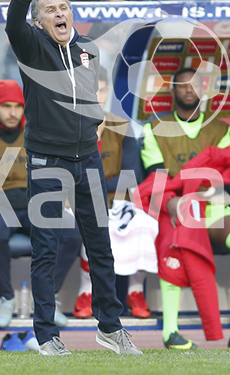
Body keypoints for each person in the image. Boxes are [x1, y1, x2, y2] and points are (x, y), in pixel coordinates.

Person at [4, 0, 141, 355]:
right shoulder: (31, 46)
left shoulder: (88, 50)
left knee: (100, 245)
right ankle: (47, 337)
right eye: (51, 10)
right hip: (48, 161)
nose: (61, 14)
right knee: (46, 248)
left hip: (88, 160)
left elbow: (85, 98)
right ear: (39, 21)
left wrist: (93, 122)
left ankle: (110, 328)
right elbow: (13, 24)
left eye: (64, 7)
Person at [141, 67, 230, 349]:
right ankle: (170, 332)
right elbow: (157, 179)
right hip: (176, 208)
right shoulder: (154, 128)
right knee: (172, 244)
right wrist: (172, 203)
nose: (189, 90)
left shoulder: (220, 129)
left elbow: (228, 175)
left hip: (211, 205)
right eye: (182, 85)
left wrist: (203, 197)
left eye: (194, 85)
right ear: (173, 91)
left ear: (204, 90)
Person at [0, 79, 80, 328]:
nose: (12, 112)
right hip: (0, 206)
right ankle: (7, 298)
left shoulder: (37, 131)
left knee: (72, 233)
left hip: (36, 205)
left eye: (18, 106)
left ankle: (45, 300)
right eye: (5, 106)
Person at [72, 71, 154, 320]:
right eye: (92, 90)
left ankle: (135, 290)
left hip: (118, 201)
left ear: (108, 92)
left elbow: (131, 178)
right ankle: (86, 291)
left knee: (144, 223)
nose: (97, 96)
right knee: (92, 222)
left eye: (102, 90)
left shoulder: (122, 126)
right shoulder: (69, 125)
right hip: (78, 202)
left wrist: (94, 184)